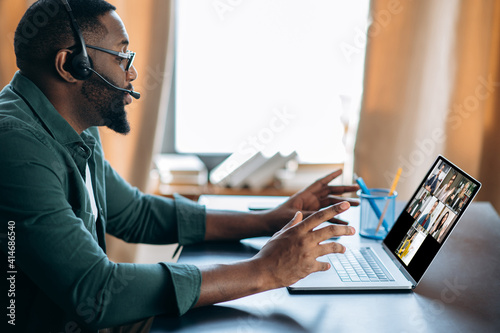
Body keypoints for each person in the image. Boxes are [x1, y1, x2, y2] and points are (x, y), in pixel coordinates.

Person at [0, 1, 360, 332]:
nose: (133, 71)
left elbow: (136, 213)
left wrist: (269, 220)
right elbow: (96, 292)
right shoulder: (15, 145)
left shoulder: (74, 126)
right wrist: (264, 270)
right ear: (70, 66)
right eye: (122, 54)